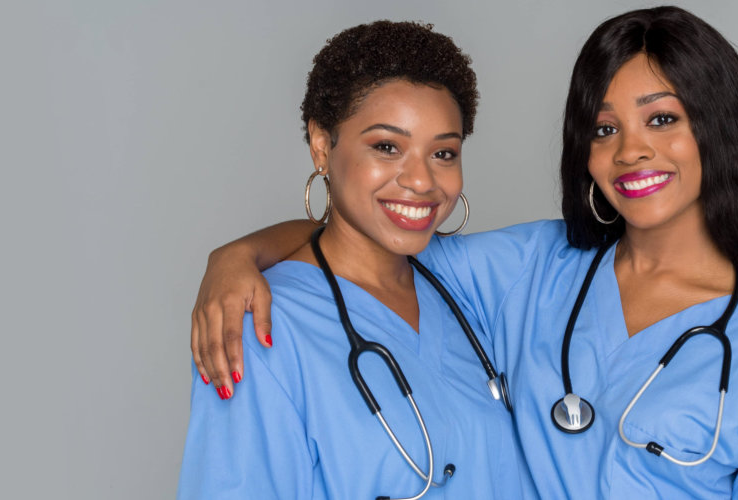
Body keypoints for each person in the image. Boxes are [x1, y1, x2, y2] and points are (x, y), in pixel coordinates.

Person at [194, 7, 738, 498]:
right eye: (605, 128)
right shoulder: (531, 270)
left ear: (717, 127)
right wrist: (238, 257)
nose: (631, 151)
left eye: (662, 119)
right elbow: (367, 242)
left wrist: (238, 254)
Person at [178, 20, 534, 500]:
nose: (422, 181)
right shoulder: (262, 324)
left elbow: (629, 246)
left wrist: (238, 251)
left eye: (443, 153)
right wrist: (234, 258)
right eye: (387, 147)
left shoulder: (468, 288)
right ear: (322, 145)